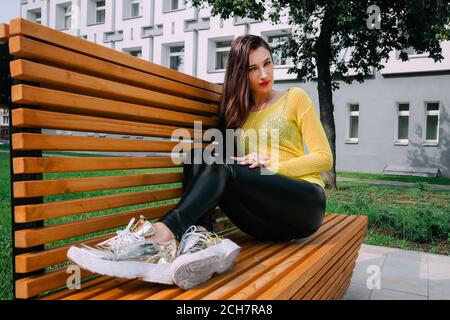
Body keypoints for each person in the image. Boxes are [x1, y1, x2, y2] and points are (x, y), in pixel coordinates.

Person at [68, 34, 333, 291]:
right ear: (241, 74)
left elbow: (324, 158)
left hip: (303, 204)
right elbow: (220, 170)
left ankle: (161, 232)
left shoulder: (294, 98)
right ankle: (199, 238)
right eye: (253, 68)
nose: (264, 75)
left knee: (216, 163)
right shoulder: (236, 116)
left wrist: (273, 166)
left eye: (267, 63)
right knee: (198, 157)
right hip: (263, 222)